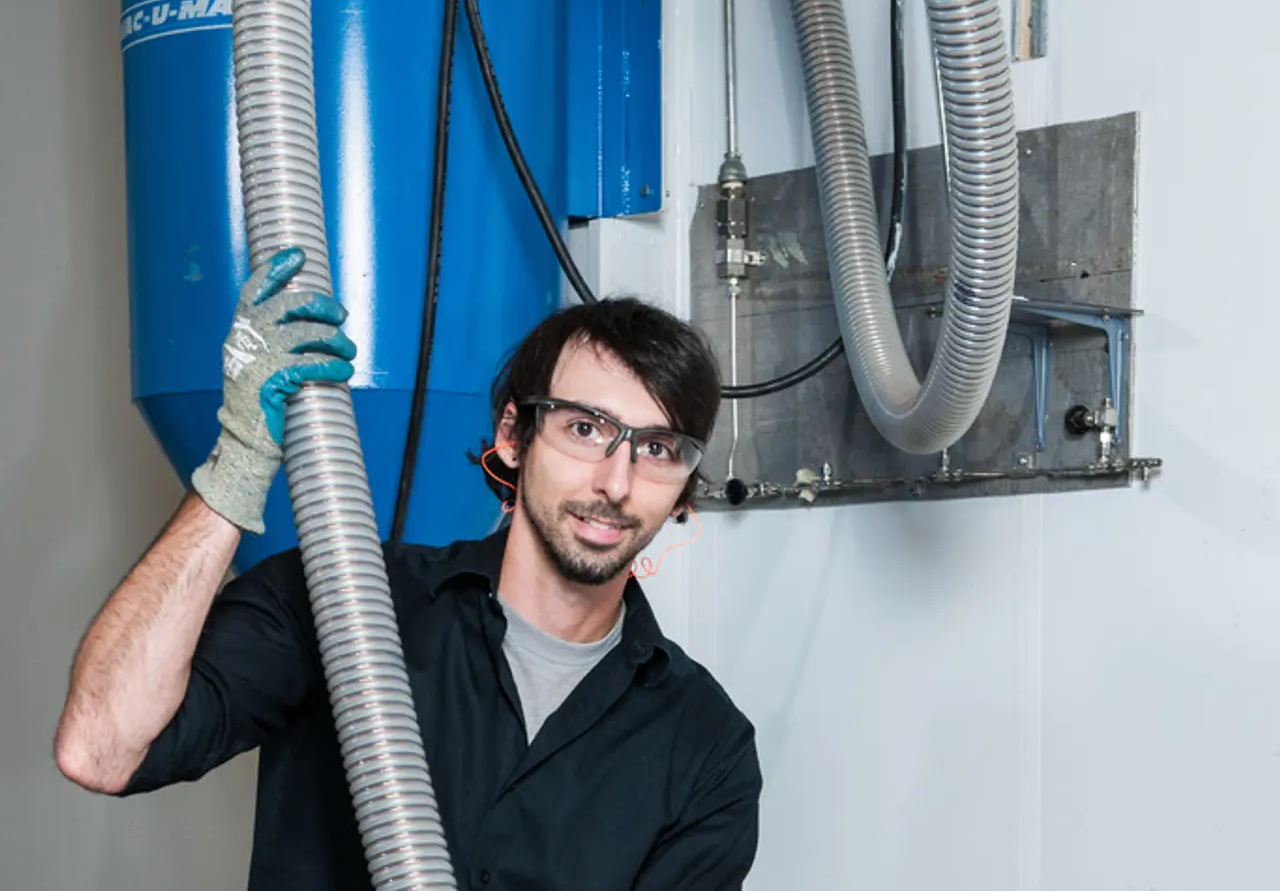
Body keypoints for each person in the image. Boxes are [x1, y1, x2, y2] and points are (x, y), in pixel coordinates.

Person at [54, 248, 762, 890]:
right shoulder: (344, 598)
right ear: (513, 436)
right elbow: (100, 748)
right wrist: (237, 464)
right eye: (584, 428)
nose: (616, 482)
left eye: (658, 448)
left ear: (684, 487)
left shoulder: (706, 747)